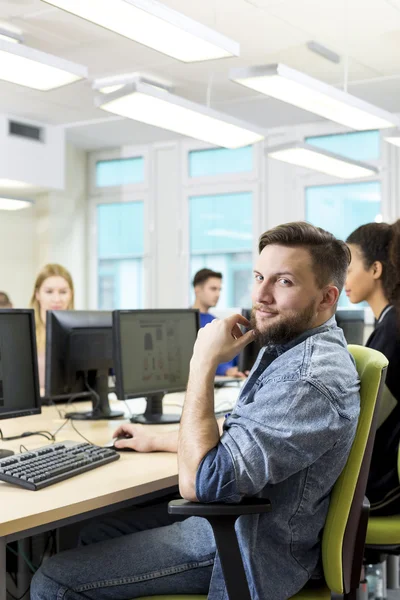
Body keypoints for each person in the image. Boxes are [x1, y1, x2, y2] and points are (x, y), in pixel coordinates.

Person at [31, 222, 360, 600]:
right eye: (258, 277)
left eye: (283, 282)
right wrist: (157, 438)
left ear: (326, 298)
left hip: (247, 548)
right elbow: (243, 433)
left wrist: (201, 362)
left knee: (54, 580)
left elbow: (200, 484)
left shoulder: (307, 379)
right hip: (243, 523)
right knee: (89, 532)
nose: (260, 295)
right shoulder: (292, 344)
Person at [346, 220, 400, 515]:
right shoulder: (390, 322)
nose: (344, 279)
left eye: (350, 269)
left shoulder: (392, 328)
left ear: (376, 269)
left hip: (383, 487)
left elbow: (368, 420)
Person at [30, 264, 74, 395]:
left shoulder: (79, 333)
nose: (57, 299)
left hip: (73, 405)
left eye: (63, 292)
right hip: (39, 408)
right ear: (37, 294)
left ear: (71, 294)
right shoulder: (25, 333)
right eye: (49, 292)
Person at [192, 268, 244, 377]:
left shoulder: (217, 322)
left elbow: (232, 355)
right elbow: (194, 357)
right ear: (197, 290)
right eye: (213, 289)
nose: (217, 294)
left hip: (228, 379)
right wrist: (226, 370)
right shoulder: (186, 322)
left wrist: (242, 368)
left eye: (219, 290)